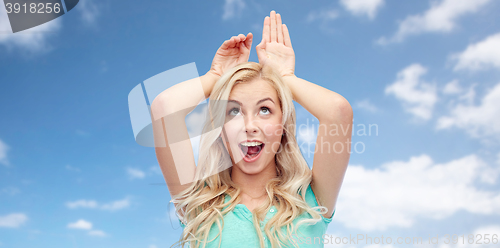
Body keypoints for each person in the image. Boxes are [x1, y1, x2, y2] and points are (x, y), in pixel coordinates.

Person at [150, 10, 353, 248]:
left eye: (265, 110)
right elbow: (165, 109)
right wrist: (215, 76)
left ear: (283, 125)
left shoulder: (311, 200)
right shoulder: (200, 205)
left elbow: (337, 112)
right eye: (234, 111)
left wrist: (284, 77)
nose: (250, 126)